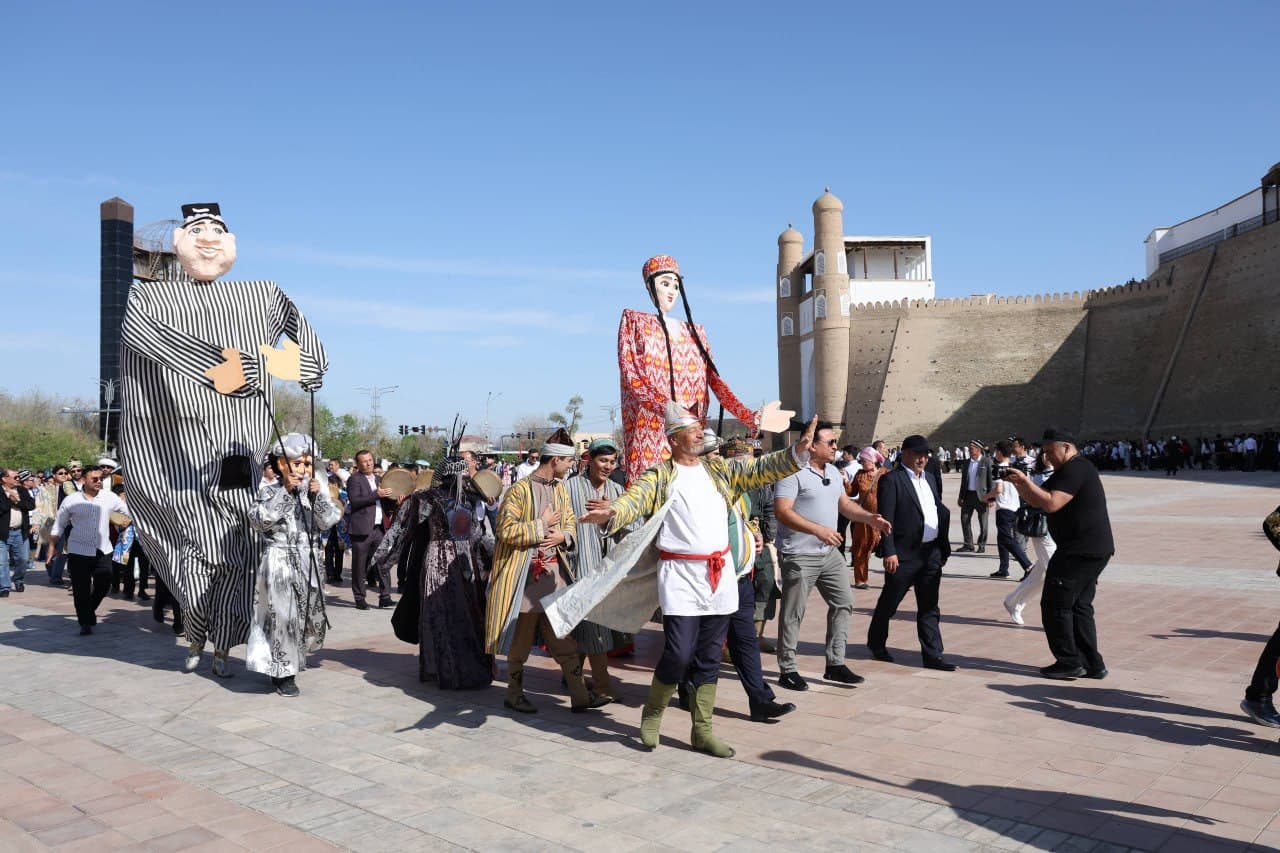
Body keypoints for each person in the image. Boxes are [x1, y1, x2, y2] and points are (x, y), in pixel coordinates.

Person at [120, 202, 328, 677]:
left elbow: (309, 352)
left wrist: (283, 365)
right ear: (179, 241)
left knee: (235, 554)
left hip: (238, 449)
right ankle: (197, 632)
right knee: (185, 551)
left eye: (217, 228)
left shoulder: (262, 294)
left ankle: (223, 642)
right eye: (197, 229)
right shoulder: (148, 297)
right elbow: (142, 335)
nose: (208, 237)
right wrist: (223, 368)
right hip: (168, 455)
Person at [553, 406, 816, 757]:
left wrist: (797, 452)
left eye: (699, 429)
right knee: (678, 653)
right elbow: (634, 500)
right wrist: (613, 511)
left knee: (709, 656)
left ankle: (702, 731)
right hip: (680, 576)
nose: (699, 434)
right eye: (692, 431)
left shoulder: (719, 470)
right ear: (674, 440)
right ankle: (653, 711)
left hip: (720, 576)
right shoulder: (660, 475)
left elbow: (759, 469)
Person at [485, 429, 607, 714]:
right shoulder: (519, 490)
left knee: (563, 636)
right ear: (555, 460)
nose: (571, 466)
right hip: (524, 577)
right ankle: (514, 694)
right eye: (569, 462)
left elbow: (569, 523)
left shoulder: (560, 489)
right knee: (521, 638)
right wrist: (541, 525)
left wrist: (563, 536)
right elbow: (505, 530)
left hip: (555, 575)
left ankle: (580, 695)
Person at [617, 254, 761, 483]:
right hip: (650, 429)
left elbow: (714, 380)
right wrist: (670, 409)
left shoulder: (695, 332)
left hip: (691, 432)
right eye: (665, 283)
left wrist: (749, 417)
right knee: (650, 492)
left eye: (676, 285)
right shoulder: (635, 323)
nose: (672, 291)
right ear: (650, 286)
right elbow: (631, 375)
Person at [773, 424, 891, 691]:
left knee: (843, 603)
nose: (836, 446)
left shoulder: (833, 473)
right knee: (793, 612)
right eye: (831, 442)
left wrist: (870, 518)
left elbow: (844, 505)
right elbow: (782, 511)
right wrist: (818, 530)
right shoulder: (791, 471)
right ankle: (787, 668)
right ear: (812, 445)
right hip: (799, 554)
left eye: (836, 442)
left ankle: (835, 664)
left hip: (829, 553)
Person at [1006, 427, 1114, 680]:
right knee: (1078, 606)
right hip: (1090, 549)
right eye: (1043, 452)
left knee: (1055, 605)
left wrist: (1024, 482)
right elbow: (1037, 499)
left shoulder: (1076, 469)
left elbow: (1052, 503)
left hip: (1079, 550)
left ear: (1066, 447)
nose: (1046, 457)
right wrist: (1020, 483)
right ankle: (1092, 664)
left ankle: (1069, 662)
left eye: (1050, 451)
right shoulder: (1068, 470)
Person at [380, 455, 494, 690]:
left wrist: (493, 554)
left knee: (467, 613)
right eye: (462, 473)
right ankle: (445, 668)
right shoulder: (426, 498)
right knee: (441, 613)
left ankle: (463, 666)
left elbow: (478, 533)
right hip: (439, 560)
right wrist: (385, 559)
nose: (465, 477)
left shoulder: (470, 498)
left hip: (464, 562)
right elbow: (403, 529)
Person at [245, 433, 342, 696]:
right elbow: (259, 521)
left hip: (309, 562)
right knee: (283, 618)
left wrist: (318, 498)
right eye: (296, 463)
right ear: (281, 465)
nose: (302, 469)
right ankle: (284, 673)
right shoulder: (267, 491)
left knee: (309, 616)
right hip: (279, 561)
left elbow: (328, 522)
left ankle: (288, 659)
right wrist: (286, 492)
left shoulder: (314, 491)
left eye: (307, 464)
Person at [867, 435, 955, 671]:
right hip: (903, 555)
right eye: (917, 454)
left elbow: (937, 510)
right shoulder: (892, 480)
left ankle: (933, 655)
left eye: (925, 455)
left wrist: (942, 548)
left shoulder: (930, 478)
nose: (922, 459)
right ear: (904, 454)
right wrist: (889, 551)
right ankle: (876, 643)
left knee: (929, 606)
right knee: (890, 602)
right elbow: (886, 518)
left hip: (930, 552)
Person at [564, 438, 632, 700]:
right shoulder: (569, 488)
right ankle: (602, 685)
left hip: (609, 570)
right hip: (580, 566)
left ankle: (572, 675)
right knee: (593, 627)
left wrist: (611, 512)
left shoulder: (617, 490)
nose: (608, 466)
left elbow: (633, 526)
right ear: (589, 460)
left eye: (612, 461)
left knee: (590, 626)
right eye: (603, 460)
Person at [50, 466, 128, 634]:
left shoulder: (109, 497)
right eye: (94, 479)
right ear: (84, 480)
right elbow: (59, 524)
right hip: (78, 550)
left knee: (104, 584)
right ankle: (84, 622)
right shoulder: (71, 500)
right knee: (81, 589)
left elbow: (129, 510)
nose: (99, 481)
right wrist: (52, 547)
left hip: (103, 549)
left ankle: (89, 609)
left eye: (100, 478)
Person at [1003, 454, 1056, 626]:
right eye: (1046, 453)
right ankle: (1058, 616)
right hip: (1043, 529)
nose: (1049, 457)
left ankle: (1013, 602)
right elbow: (1033, 500)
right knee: (1055, 572)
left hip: (1060, 530)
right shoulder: (1038, 477)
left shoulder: (1063, 474)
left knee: (1041, 573)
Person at [347, 450, 393, 610]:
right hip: (361, 529)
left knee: (383, 563)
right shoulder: (354, 479)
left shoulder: (380, 479)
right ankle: (360, 598)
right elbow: (355, 501)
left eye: (370, 460)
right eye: (364, 461)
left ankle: (385, 597)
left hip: (379, 529)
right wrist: (376, 494)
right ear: (358, 464)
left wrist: (396, 500)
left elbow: (387, 502)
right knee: (359, 566)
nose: (368, 463)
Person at [984, 441, 1033, 579]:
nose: (995, 454)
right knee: (1002, 538)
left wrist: (986, 497)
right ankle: (1003, 569)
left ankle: (1028, 566)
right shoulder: (1015, 467)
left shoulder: (998, 468)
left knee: (1007, 538)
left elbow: (998, 489)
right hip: (1015, 506)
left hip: (1004, 508)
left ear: (1000, 452)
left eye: (996, 451)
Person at [848, 447, 886, 590]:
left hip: (884, 517)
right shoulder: (860, 475)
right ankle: (860, 579)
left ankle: (897, 579)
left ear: (873, 460)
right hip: (864, 518)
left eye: (864, 460)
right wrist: (844, 481)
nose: (862, 463)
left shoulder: (886, 474)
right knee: (861, 548)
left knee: (890, 548)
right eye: (861, 460)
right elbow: (851, 492)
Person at [0, 467, 36, 596]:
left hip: (20, 532)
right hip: (2, 533)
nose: (18, 479)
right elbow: (2, 508)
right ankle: (4, 587)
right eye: (15, 477)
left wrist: (17, 501)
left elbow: (31, 505)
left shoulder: (21, 490)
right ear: (4, 479)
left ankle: (18, 579)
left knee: (23, 559)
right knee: (2, 562)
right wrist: (9, 499)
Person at [957, 440, 993, 553]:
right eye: (969, 448)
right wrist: (960, 496)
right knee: (964, 519)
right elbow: (964, 481)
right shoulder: (967, 462)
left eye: (971, 448)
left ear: (978, 449)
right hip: (968, 495)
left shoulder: (986, 461)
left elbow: (990, 481)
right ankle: (968, 544)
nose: (969, 450)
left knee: (983, 522)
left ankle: (981, 544)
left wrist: (991, 498)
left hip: (982, 497)